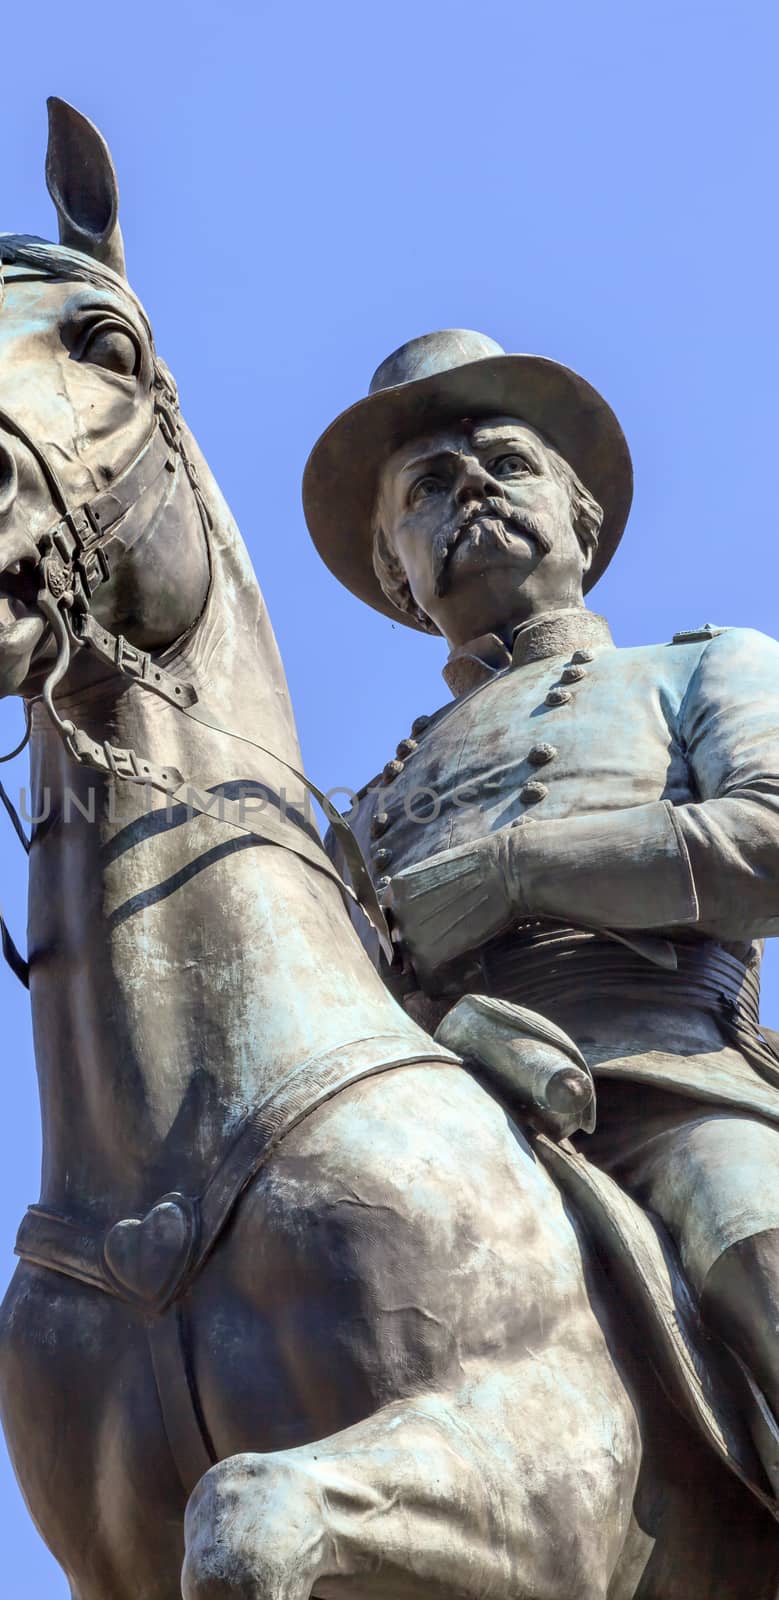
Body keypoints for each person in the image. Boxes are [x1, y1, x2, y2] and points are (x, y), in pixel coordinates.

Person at [303, 328, 779, 1426]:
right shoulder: (360, 814)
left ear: (583, 518)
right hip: (437, 1121)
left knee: (754, 1242)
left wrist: (514, 872)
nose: (469, 484)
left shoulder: (702, 669)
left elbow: (768, 840)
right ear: (394, 567)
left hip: (669, 1092)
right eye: (427, 485)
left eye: (507, 463)